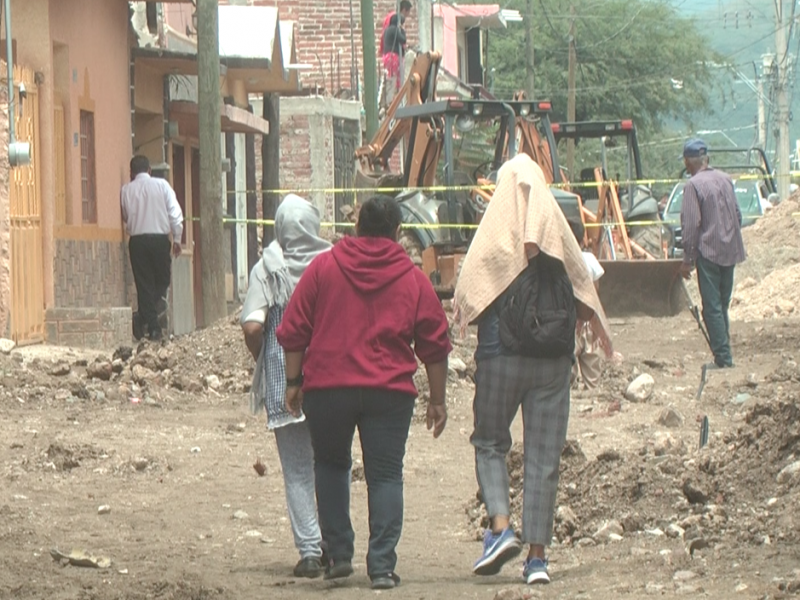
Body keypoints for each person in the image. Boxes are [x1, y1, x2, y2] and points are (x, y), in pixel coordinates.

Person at [275, 195, 451, 590]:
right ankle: (383, 566)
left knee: (332, 465)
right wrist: (437, 400)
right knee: (386, 475)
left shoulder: (324, 267)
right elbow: (435, 342)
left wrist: (292, 382)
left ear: (357, 227)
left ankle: (338, 555)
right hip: (389, 393)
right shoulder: (412, 278)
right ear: (397, 233)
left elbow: (294, 328)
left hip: (328, 388)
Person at [454, 154, 612, 585]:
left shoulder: (492, 237)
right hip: (552, 366)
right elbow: (585, 297)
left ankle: (501, 528)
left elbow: (470, 290)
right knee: (544, 457)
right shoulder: (558, 235)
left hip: (500, 358)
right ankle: (537, 560)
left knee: (489, 441)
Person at [240, 195, 331, 579]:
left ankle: (309, 552)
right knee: (331, 464)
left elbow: (252, 327)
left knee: (296, 470)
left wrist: (267, 357)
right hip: (332, 380)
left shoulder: (268, 267)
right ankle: (335, 545)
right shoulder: (332, 265)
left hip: (284, 383)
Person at [679, 138, 746, 368]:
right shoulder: (726, 180)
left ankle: (723, 359)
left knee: (712, 308)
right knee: (722, 304)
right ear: (706, 158)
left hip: (708, 252)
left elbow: (690, 225)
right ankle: (724, 353)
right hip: (731, 250)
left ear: (689, 162)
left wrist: (687, 260)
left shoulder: (693, 186)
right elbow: (738, 216)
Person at [120, 155, 183, 341]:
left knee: (144, 284)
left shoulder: (126, 190)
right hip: (159, 240)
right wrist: (177, 238)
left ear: (131, 173)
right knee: (162, 281)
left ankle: (143, 318)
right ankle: (153, 327)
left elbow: (125, 215)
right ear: (149, 170)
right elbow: (175, 213)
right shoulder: (162, 185)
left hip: (137, 242)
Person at [568, 219, 604, 390]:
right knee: (592, 361)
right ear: (583, 240)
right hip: (589, 320)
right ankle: (592, 390)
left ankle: (570, 390)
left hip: (569, 321)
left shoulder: (562, 261)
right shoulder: (589, 259)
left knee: (568, 364)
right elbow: (596, 291)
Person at [381, 1, 412, 103]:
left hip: (386, 56)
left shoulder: (387, 29)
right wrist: (402, 31)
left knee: (389, 79)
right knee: (395, 80)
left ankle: (389, 101)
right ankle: (393, 102)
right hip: (393, 57)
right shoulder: (395, 29)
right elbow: (403, 39)